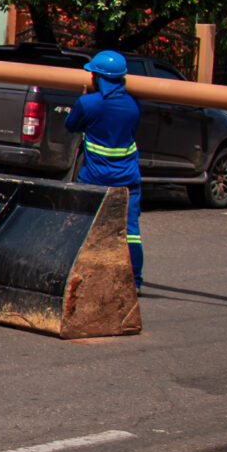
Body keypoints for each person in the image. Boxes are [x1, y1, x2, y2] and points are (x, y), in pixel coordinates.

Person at [67, 48, 143, 286]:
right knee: (130, 232)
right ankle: (135, 281)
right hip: (127, 179)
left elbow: (72, 125)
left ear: (97, 78)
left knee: (85, 227)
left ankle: (83, 274)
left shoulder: (89, 103)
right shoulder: (134, 106)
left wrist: (86, 97)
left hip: (95, 178)